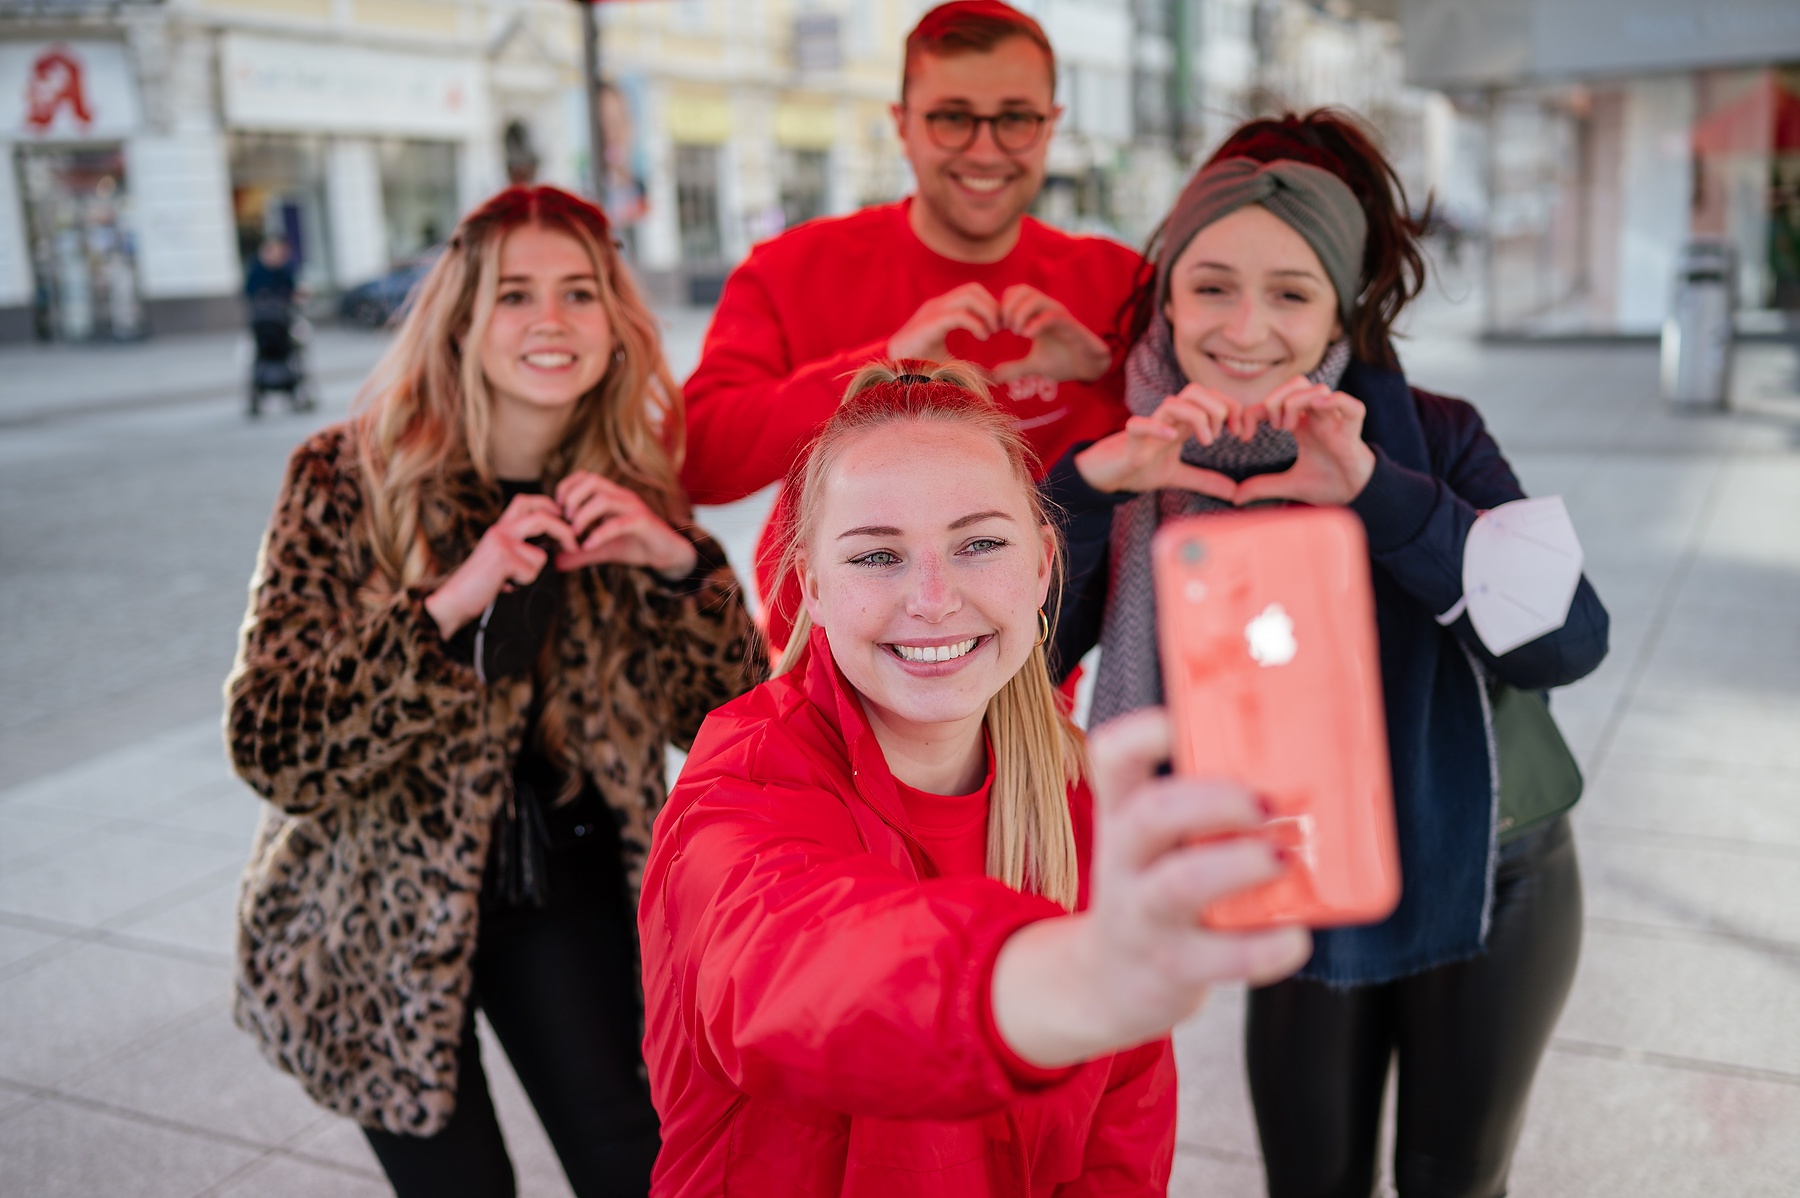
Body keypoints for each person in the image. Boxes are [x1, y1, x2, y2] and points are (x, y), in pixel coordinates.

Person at [1044, 111, 1612, 1197]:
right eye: (1211, 284)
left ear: (1339, 307)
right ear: (1166, 288)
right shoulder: (1137, 454)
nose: (1244, 327)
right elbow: (1023, 655)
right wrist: (1093, 484)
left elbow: (1568, 639)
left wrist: (1379, 495)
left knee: (1452, 1180)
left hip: (1488, 864)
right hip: (1295, 872)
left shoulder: (1430, 434)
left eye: (1291, 293)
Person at [639, 362, 1312, 1195]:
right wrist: (1064, 977)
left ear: (1041, 568)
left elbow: (1121, 1144)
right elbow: (787, 968)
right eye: (878, 555)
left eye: (980, 543)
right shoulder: (743, 778)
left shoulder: (1085, 798)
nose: (932, 597)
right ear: (811, 587)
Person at [226, 185, 764, 1198]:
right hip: (374, 909)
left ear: (616, 325)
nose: (550, 321)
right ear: (464, 319)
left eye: (578, 293)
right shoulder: (348, 478)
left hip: (570, 888)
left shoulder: (630, 487)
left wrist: (675, 562)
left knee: (638, 1167)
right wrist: (450, 601)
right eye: (515, 295)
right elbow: (271, 746)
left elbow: (735, 722)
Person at [681, 0, 1142, 649]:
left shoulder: (1117, 284)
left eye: (1015, 119)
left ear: (1051, 125)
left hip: (1031, 687)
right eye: (952, 118)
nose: (985, 149)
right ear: (901, 124)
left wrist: (1108, 372)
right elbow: (699, 458)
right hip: (823, 692)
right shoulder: (794, 269)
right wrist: (880, 363)